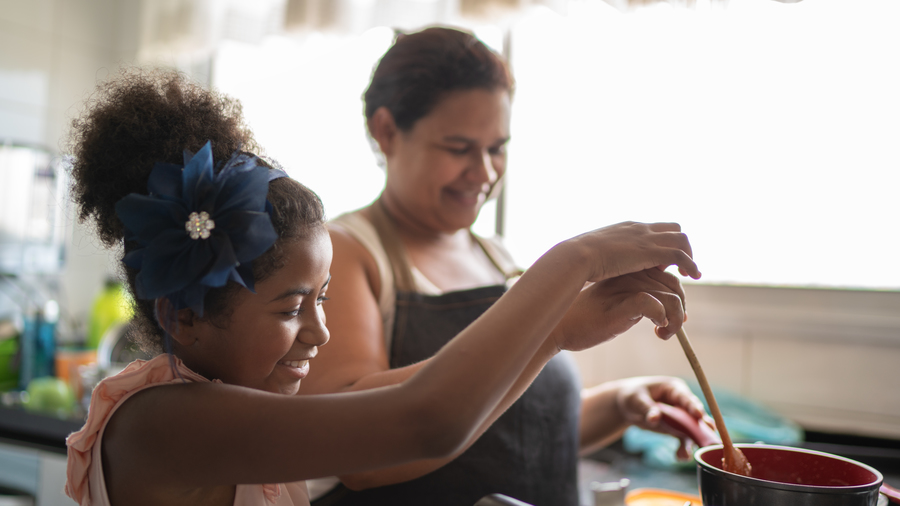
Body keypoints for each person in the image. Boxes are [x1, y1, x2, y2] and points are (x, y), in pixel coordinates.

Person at [63, 68, 700, 506]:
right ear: (183, 316)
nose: (319, 330)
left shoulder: (221, 404)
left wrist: (558, 328)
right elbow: (424, 421)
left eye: (321, 298)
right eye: (291, 307)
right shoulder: (167, 422)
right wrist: (574, 262)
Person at [298, 27, 710, 506]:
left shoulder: (498, 258)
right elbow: (359, 455)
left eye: (497, 148)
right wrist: (553, 323)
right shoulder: (347, 253)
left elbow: (511, 432)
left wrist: (619, 403)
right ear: (387, 131)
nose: (486, 172)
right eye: (458, 148)